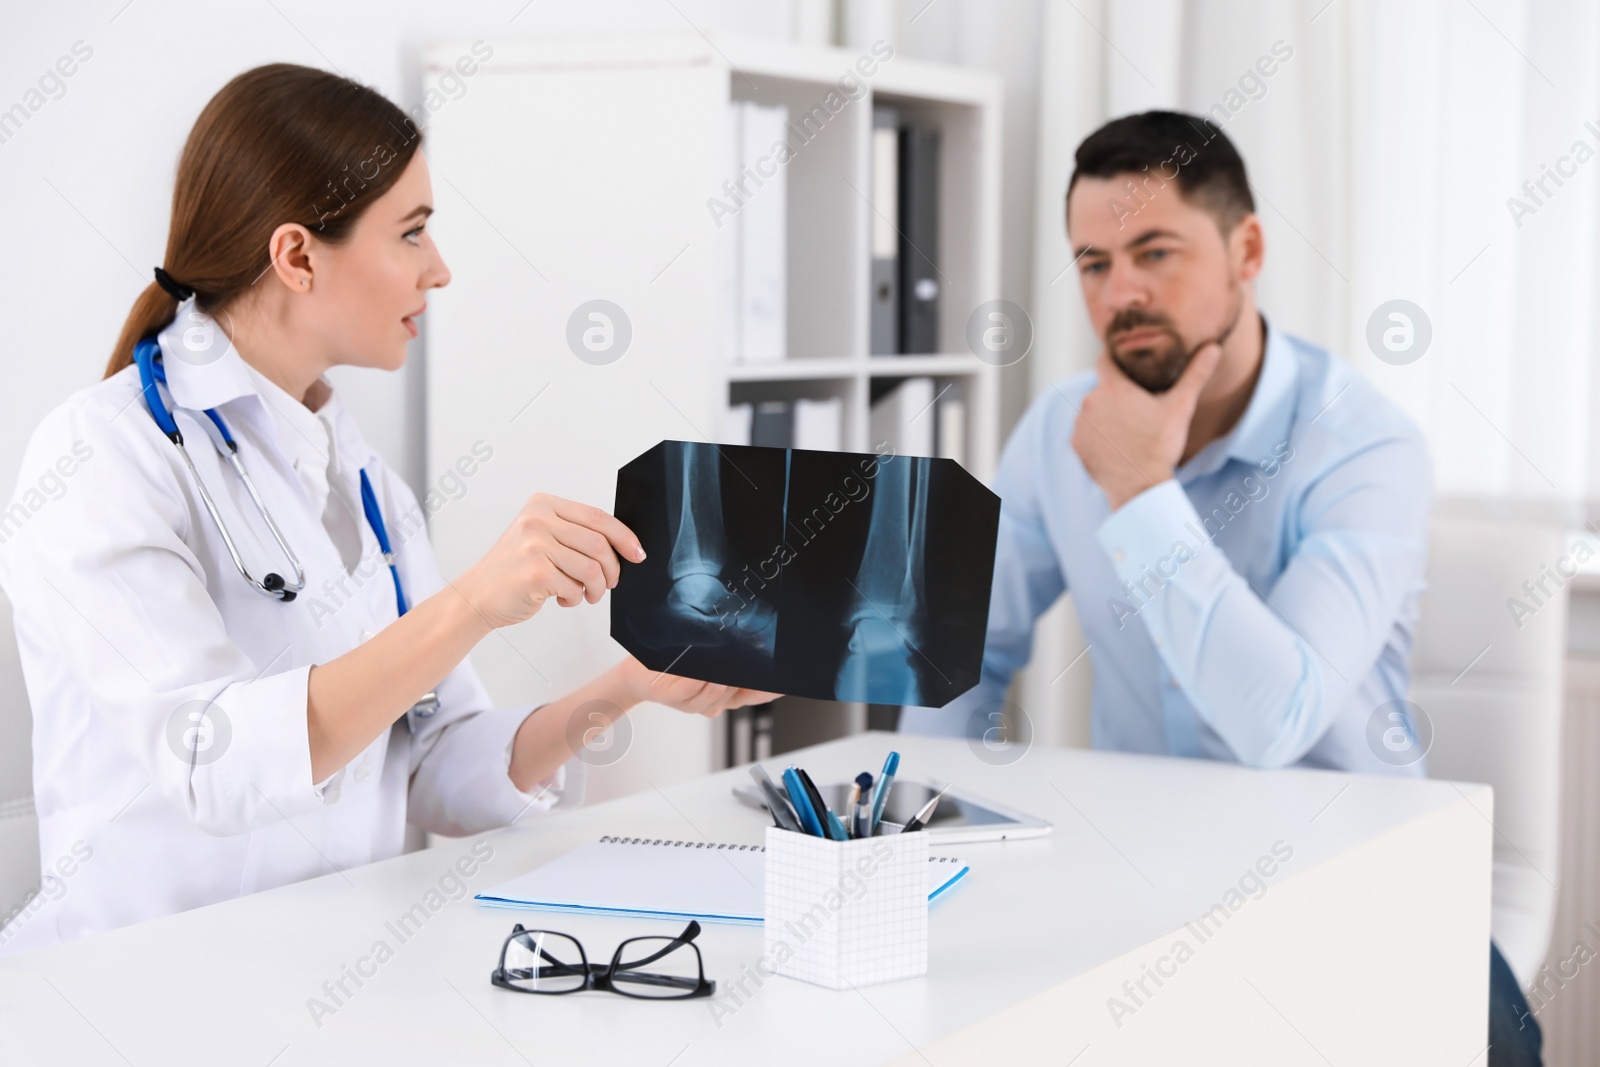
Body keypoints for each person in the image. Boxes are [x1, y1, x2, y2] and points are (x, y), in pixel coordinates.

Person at [0, 64, 774, 954]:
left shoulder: (359, 477)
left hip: (325, 971)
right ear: (296, 256)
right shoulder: (105, 453)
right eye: (412, 233)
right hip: (137, 986)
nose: (439, 271)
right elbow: (212, 763)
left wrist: (630, 683)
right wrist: (473, 603)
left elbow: (438, 770)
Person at [899, 111, 1540, 1065]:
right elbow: (966, 647)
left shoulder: (1364, 445)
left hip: (1357, 883)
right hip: (1140, 876)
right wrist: (916, 836)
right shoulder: (1055, 431)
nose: (1122, 293)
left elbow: (1276, 716)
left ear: (1248, 248)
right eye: (1092, 263)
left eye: (1154, 251)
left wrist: (1139, 491)